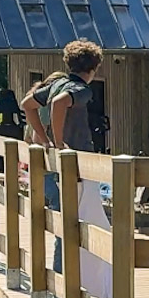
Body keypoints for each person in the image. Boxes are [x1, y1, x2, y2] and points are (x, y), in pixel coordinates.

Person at [27, 40, 103, 206]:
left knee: (61, 208)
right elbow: (59, 102)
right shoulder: (82, 90)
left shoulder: (57, 84)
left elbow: (27, 105)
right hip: (77, 160)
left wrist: (45, 139)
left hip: (56, 161)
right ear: (93, 69)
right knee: (79, 209)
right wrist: (59, 142)